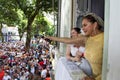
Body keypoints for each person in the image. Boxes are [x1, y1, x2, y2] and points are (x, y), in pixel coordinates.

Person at [45, 13, 104, 80]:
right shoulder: (87, 38)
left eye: (85, 25)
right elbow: (68, 40)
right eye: (82, 26)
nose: (82, 28)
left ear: (95, 25)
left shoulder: (105, 39)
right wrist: (51, 38)